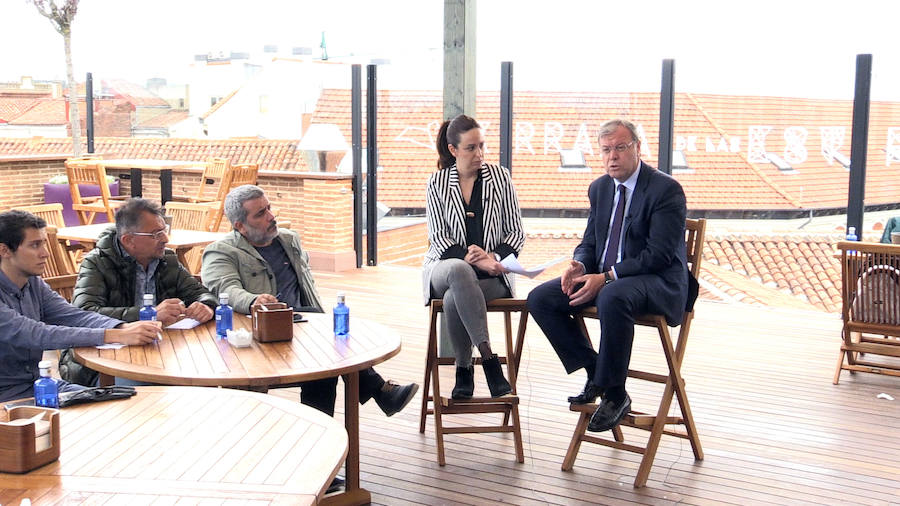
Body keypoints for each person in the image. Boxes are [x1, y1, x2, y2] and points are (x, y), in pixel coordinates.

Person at [526, 119, 690, 433]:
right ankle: (594, 370)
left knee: (614, 295)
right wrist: (580, 265)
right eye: (605, 150)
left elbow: (658, 256)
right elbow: (591, 242)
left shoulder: (665, 190)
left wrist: (608, 277)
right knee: (541, 299)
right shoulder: (599, 188)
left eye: (620, 148)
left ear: (638, 148)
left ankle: (615, 394)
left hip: (657, 282)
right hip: (610, 279)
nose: (612, 156)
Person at [201, 184, 419, 418]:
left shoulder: (289, 240)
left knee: (326, 360)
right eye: (261, 214)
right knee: (327, 355)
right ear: (240, 226)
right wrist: (254, 300)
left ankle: (323, 431)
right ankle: (379, 392)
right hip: (260, 334)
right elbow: (227, 289)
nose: (271, 217)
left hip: (304, 322)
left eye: (269, 208)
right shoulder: (221, 252)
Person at [0, 210, 160, 403]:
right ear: (4, 251)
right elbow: (37, 334)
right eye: (35, 245)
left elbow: (73, 315)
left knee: (122, 402)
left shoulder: (33, 283)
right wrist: (114, 335)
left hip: (38, 386)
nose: (46, 253)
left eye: (43, 243)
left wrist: (121, 327)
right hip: (8, 397)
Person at [423, 114, 526, 399]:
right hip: (445, 269)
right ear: (453, 150)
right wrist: (474, 259)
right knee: (458, 271)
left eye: (482, 146)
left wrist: (492, 258)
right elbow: (440, 238)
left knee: (458, 296)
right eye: (471, 148)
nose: (479, 154)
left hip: (491, 276)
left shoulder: (500, 178)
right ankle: (489, 359)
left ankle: (463, 369)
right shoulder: (437, 183)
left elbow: (516, 234)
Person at [62, 198, 217, 385]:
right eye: (156, 234)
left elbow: (201, 293)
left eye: (164, 230)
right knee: (151, 391)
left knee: (203, 378)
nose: (165, 239)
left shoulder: (167, 260)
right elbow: (84, 313)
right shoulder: (97, 262)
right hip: (102, 363)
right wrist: (150, 315)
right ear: (129, 240)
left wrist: (206, 305)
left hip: (160, 354)